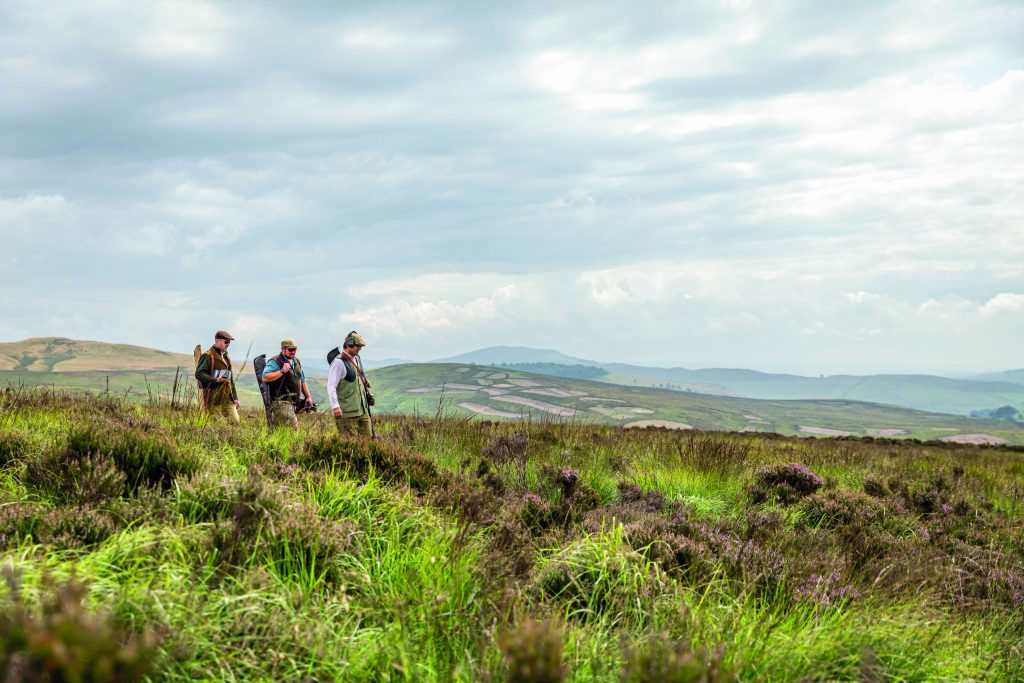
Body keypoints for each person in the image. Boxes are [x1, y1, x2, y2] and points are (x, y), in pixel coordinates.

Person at [328, 331, 374, 437]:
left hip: (362, 409)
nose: (360, 349)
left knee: (368, 440)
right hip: (347, 412)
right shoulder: (338, 363)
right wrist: (335, 406)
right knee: (349, 443)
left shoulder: (357, 358)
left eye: (360, 346)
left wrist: (364, 382)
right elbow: (331, 387)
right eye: (357, 346)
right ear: (348, 344)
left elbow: (356, 376)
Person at [261, 338, 313, 431]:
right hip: (280, 401)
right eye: (290, 349)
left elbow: (302, 380)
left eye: (294, 349)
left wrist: (308, 397)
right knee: (293, 428)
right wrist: (282, 371)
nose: (293, 352)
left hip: (293, 403)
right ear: (283, 349)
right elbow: (265, 377)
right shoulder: (275, 361)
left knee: (279, 431)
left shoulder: (296, 361)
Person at [194, 330, 240, 423]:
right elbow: (199, 373)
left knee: (235, 422)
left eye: (229, 342)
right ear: (217, 341)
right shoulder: (207, 356)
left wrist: (235, 397)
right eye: (226, 342)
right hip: (213, 397)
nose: (228, 344)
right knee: (216, 425)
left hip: (227, 397)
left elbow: (230, 379)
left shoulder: (226, 357)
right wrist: (215, 380)